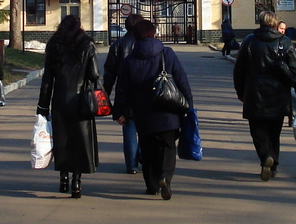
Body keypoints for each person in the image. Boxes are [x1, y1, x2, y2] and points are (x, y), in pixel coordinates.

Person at [113, 19, 193, 200]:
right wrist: (189, 105)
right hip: (169, 111)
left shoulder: (129, 61)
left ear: (136, 37)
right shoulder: (167, 54)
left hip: (143, 113)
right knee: (167, 147)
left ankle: (151, 185)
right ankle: (164, 177)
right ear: (154, 34)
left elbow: (122, 89)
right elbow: (181, 80)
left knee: (147, 149)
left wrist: (119, 112)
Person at [233, 10, 296, 181]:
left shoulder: (250, 41)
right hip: (279, 95)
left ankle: (265, 156)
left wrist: (240, 91)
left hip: (254, 93)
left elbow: (239, 69)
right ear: (275, 24)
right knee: (275, 132)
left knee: (257, 131)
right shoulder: (285, 42)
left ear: (260, 23)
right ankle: (273, 166)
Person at [37, 14, 101, 199]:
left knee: (62, 140)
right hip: (81, 101)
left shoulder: (54, 45)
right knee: (80, 141)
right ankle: (77, 183)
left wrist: (42, 106)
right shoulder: (87, 45)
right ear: (79, 26)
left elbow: (47, 79)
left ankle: (63, 177)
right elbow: (95, 74)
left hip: (59, 100)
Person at [102, 13, 142, 174]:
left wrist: (105, 96)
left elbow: (109, 73)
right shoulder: (146, 43)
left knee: (129, 127)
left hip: (124, 92)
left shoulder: (118, 45)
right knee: (146, 127)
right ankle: (142, 155)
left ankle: (131, 165)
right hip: (145, 92)